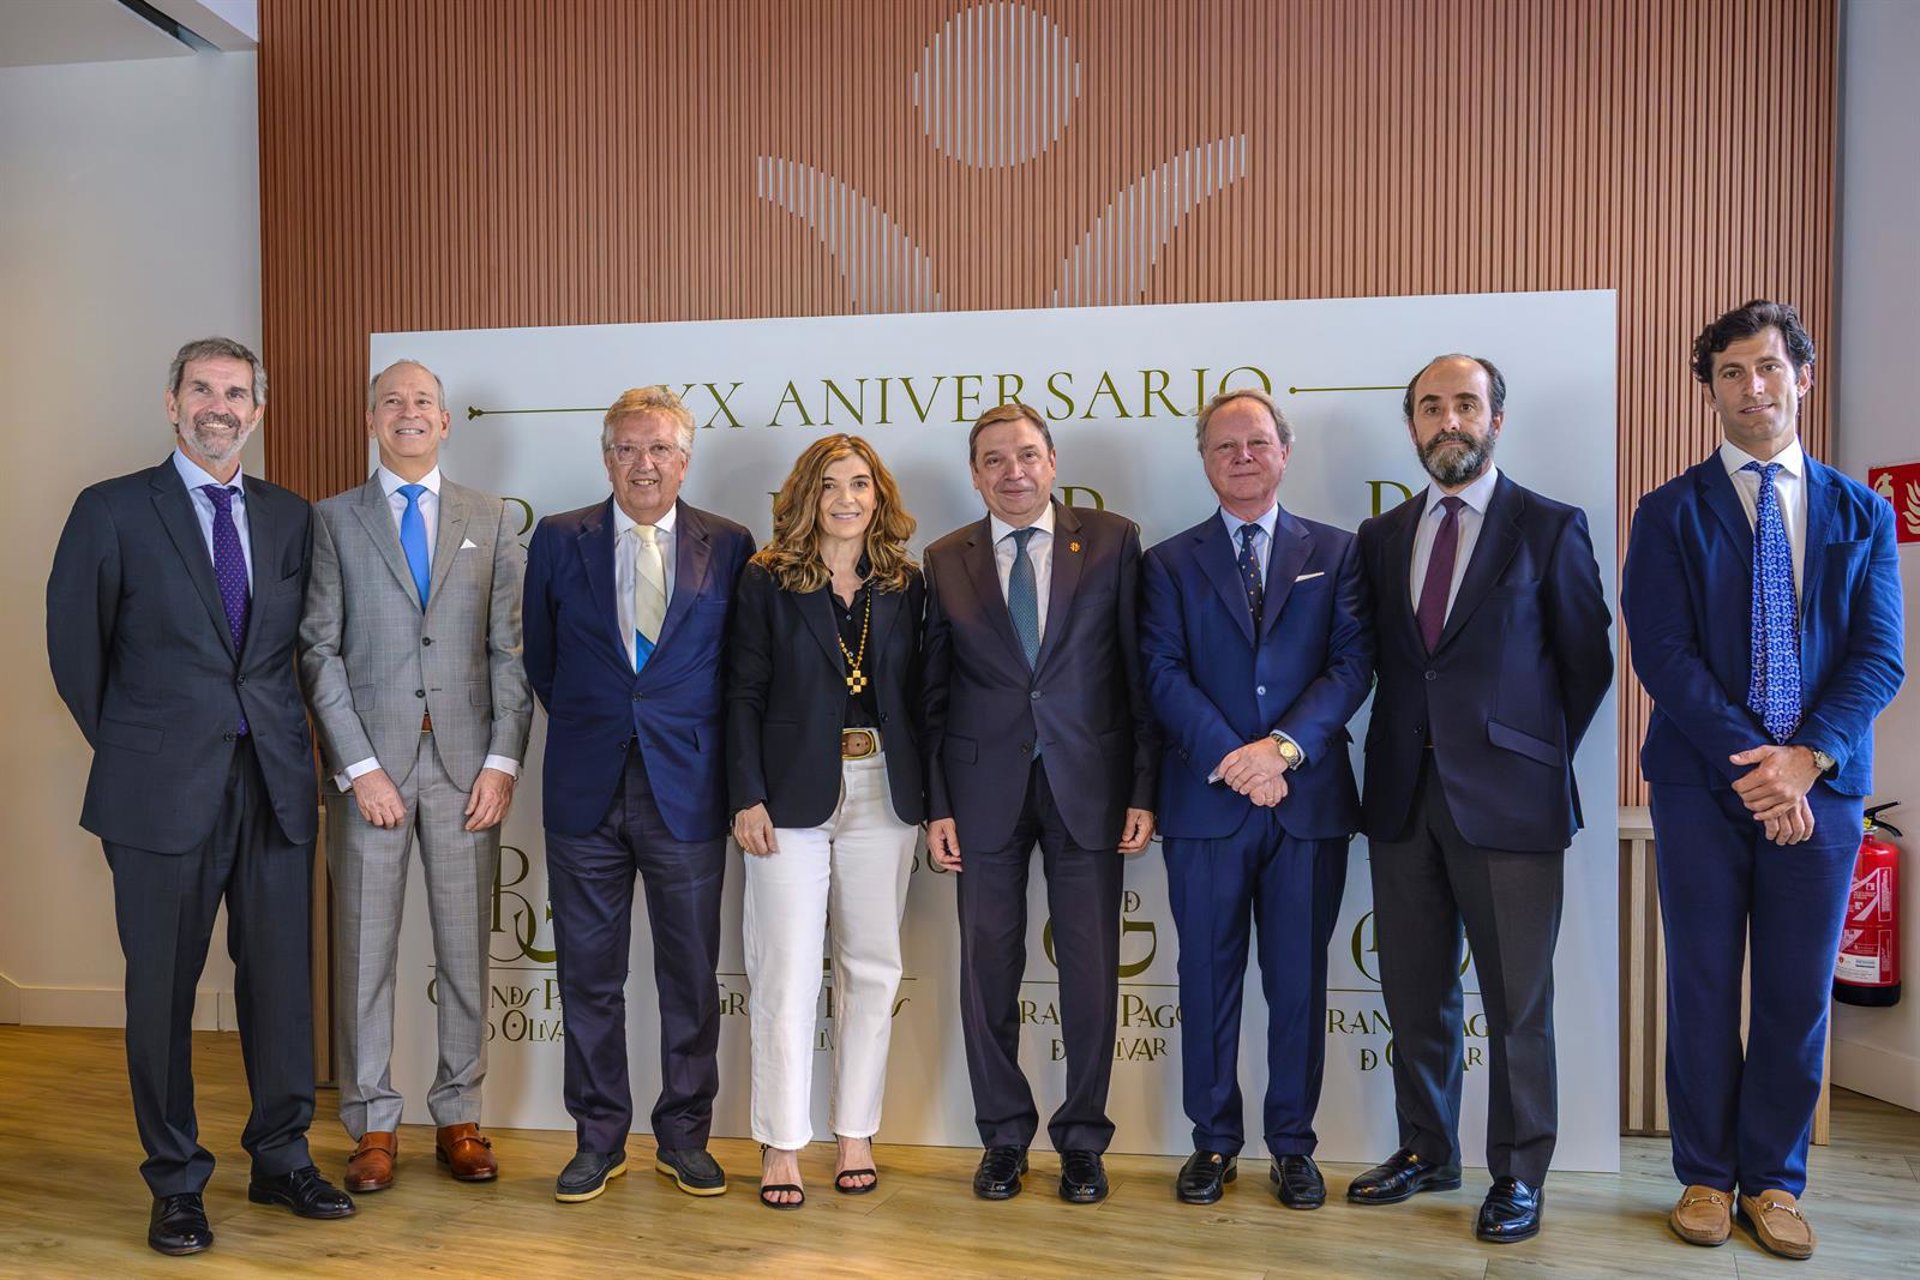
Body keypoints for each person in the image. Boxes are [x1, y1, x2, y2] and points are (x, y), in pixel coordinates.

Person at [46, 337, 354, 1256]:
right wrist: (143, 750)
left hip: (274, 784)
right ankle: (176, 1181)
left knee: (281, 987)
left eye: (237, 392)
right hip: (158, 791)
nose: (220, 405)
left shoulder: (290, 516)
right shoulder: (111, 509)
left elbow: (299, 650)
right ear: (172, 402)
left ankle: (281, 1158)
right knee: (162, 992)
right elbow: (76, 654)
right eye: (203, 389)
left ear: (258, 410)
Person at [1622, 301, 1903, 1260]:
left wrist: (1804, 761)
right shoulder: (1668, 512)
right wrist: (1759, 768)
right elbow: (1663, 655)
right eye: (1732, 372)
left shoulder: (1861, 511)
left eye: (1769, 367)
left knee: (1796, 993)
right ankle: (1705, 1175)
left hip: (1823, 789)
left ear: (1802, 377)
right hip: (1703, 789)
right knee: (1702, 985)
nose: (1753, 387)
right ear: (1710, 389)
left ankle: (1775, 1182)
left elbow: (1879, 657)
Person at [1351, 354, 1613, 1243]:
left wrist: (1524, 754)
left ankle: (1519, 1173)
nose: (1448, 420)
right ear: (1412, 426)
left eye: (1466, 404)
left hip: (1512, 804)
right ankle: (1426, 1149)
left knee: (1516, 1005)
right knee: (1414, 991)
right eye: (1431, 407)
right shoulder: (1382, 535)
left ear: (1496, 419)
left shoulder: (1550, 526)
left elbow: (1586, 665)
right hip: (1402, 798)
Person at [297, 359, 532, 1191]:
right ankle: (372, 1123)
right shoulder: (331, 520)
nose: (408, 411)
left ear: (445, 419)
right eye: (392, 401)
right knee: (364, 955)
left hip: (469, 772)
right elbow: (318, 650)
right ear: (371, 419)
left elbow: (509, 651)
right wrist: (358, 768)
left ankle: (458, 1116)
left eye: (422, 401)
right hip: (373, 774)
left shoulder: (492, 519)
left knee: (465, 951)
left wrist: (503, 761)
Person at [921, 401, 1159, 1205]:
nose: (1012, 472)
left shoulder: (1114, 541)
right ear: (974, 474)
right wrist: (938, 805)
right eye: (994, 459)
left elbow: (1138, 675)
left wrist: (1143, 788)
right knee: (986, 971)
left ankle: (1083, 1140)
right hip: (980, 793)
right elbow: (932, 694)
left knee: (1090, 972)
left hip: (1090, 787)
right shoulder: (945, 558)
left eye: (1026, 455)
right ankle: (1002, 1138)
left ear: (1052, 462)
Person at [1139, 388, 1372, 1210]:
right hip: (1206, 805)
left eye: (1258, 442)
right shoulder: (1167, 562)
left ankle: (1293, 1146)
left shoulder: (1338, 552)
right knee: (1206, 979)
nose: (1242, 456)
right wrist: (1234, 760)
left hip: (1306, 802)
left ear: (1284, 451)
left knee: (1299, 983)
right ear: (1204, 459)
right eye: (1225, 445)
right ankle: (1213, 1143)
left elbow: (1351, 665)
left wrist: (1280, 751)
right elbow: (1161, 672)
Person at [522, 385, 754, 1204]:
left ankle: (684, 1138)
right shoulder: (560, 539)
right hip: (584, 788)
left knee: (689, 976)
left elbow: (739, 669)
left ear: (684, 461)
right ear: (606, 457)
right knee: (589, 978)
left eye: (659, 449)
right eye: (627, 448)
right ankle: (598, 1140)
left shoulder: (730, 544)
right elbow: (541, 659)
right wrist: (601, 724)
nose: (643, 463)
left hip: (687, 790)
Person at [727, 434, 926, 1209]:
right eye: (830, 484)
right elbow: (741, 692)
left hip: (885, 789)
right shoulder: (766, 578)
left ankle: (855, 1133)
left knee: (872, 968)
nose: (847, 498)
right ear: (805, 496)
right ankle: (782, 1142)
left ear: (880, 495)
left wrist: (934, 801)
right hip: (786, 798)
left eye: (861, 484)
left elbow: (925, 697)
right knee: (785, 969)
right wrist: (746, 795)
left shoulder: (905, 583)